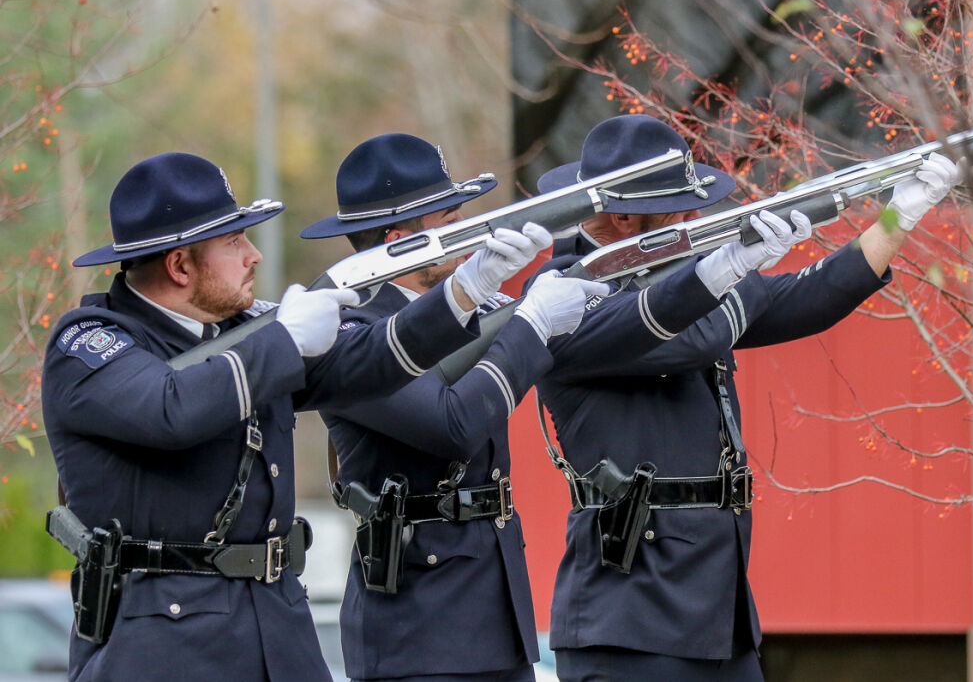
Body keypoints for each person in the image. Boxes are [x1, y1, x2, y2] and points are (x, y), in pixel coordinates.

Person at [41, 152, 550, 682]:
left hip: (278, 632)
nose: (254, 256)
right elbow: (170, 408)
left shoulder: (247, 336)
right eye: (234, 242)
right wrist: (285, 340)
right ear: (180, 266)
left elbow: (367, 362)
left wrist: (465, 290)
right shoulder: (90, 347)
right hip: (164, 646)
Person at [299, 133, 778, 682]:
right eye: (447, 217)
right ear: (398, 240)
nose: (463, 227)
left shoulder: (469, 312)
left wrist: (714, 274)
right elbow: (453, 424)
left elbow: (633, 323)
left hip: (495, 618)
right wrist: (530, 322)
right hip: (413, 628)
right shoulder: (349, 335)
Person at [530, 115, 963, 681]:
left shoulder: (679, 284)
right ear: (623, 218)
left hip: (716, 614)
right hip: (631, 623)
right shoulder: (567, 299)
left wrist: (897, 214)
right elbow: (696, 334)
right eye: (681, 208)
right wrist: (737, 261)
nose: (696, 218)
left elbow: (814, 295)